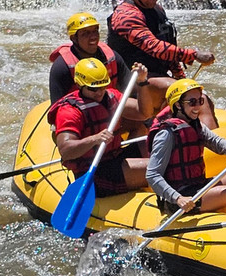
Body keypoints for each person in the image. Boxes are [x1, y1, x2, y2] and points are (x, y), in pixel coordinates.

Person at [106, 0, 217, 127]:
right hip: (130, 80)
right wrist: (194, 55)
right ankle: (209, 145)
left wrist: (180, 77)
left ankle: (209, 143)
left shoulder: (157, 10)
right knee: (187, 95)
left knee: (201, 98)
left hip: (155, 76)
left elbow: (168, 48)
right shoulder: (125, 15)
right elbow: (154, 47)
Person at [146, 79, 226, 216]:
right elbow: (152, 174)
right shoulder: (166, 134)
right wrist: (177, 198)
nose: (198, 106)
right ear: (178, 105)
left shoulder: (195, 125)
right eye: (192, 102)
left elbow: (215, 142)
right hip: (183, 198)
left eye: (200, 101)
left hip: (199, 185)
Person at [47, 58, 150, 197]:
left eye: (103, 86)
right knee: (157, 168)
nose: (99, 92)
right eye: (93, 88)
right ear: (79, 85)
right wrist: (95, 139)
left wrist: (142, 83)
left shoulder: (111, 96)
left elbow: (143, 113)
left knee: (142, 130)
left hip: (113, 158)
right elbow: (66, 150)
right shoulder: (69, 111)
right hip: (93, 172)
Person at [48, 12, 130, 104]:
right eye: (85, 33)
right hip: (79, 113)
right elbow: (56, 106)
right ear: (74, 38)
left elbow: (131, 90)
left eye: (95, 31)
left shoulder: (111, 57)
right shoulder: (62, 67)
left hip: (110, 109)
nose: (93, 37)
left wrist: (142, 82)